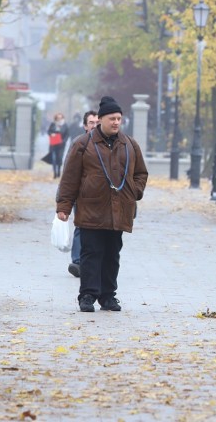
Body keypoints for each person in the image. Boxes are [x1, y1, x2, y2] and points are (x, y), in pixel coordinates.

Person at [56, 97, 148, 312]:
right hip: (91, 209)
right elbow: (70, 177)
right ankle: (87, 295)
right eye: (112, 118)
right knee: (91, 253)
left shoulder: (129, 144)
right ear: (101, 120)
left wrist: (134, 191)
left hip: (119, 210)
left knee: (112, 254)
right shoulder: (83, 143)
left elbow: (141, 173)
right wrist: (64, 207)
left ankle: (108, 296)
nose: (116, 122)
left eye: (119, 119)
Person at [66, 110, 99, 278]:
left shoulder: (109, 144)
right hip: (81, 194)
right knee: (81, 226)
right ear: (85, 126)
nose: (94, 125)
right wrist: (63, 200)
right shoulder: (78, 143)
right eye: (91, 123)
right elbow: (68, 172)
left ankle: (96, 261)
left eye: (97, 122)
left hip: (102, 195)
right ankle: (77, 262)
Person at [47, 113, 70, 179]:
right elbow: (48, 132)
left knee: (59, 158)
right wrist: (51, 134)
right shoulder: (53, 124)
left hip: (61, 145)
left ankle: (59, 170)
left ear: (62, 118)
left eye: (60, 118)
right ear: (56, 118)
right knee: (54, 158)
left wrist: (64, 141)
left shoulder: (65, 125)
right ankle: (55, 173)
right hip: (53, 145)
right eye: (58, 118)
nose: (59, 119)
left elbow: (67, 135)